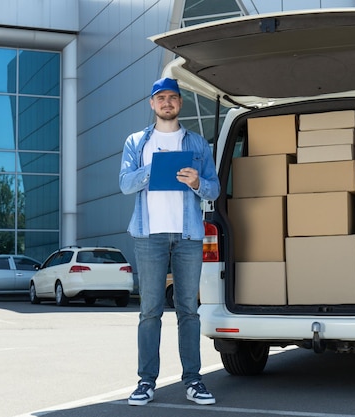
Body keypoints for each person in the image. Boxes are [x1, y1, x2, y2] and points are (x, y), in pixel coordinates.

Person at [119, 77, 220, 406]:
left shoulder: (197, 144)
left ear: (180, 103)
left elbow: (215, 189)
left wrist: (197, 183)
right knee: (150, 311)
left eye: (172, 97)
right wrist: (152, 169)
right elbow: (125, 184)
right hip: (150, 236)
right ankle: (146, 382)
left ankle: (193, 380)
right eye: (160, 97)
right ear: (152, 104)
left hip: (188, 235)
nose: (167, 103)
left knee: (188, 311)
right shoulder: (137, 142)